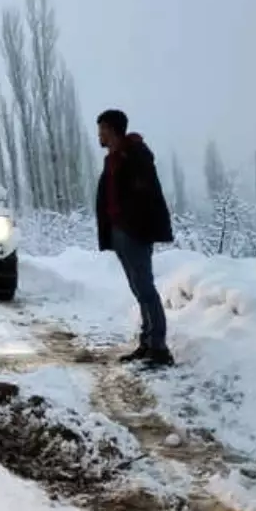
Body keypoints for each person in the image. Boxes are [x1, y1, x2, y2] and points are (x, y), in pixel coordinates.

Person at [95, 109, 176, 369]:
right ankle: (147, 343)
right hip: (119, 232)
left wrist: (135, 225)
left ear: (113, 129)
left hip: (134, 232)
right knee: (138, 288)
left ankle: (159, 349)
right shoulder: (113, 159)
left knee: (145, 288)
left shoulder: (135, 155)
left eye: (103, 129)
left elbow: (146, 195)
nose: (99, 134)